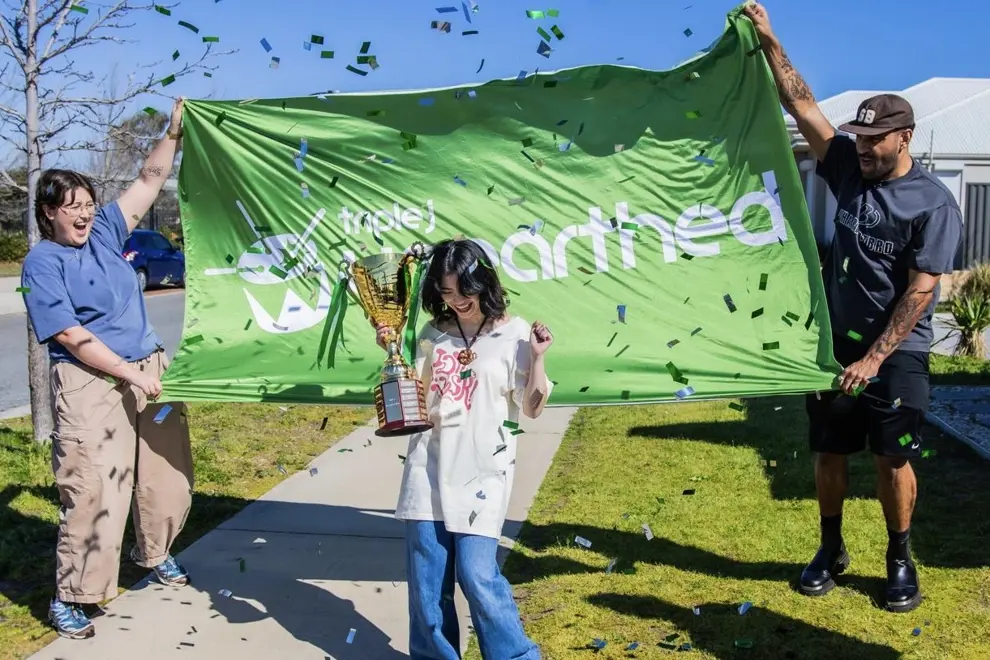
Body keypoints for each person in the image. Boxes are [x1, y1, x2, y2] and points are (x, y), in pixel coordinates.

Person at [745, 3, 963, 613]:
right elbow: (803, 106)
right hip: (835, 344)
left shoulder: (933, 204)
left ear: (905, 138)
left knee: (893, 459)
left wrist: (874, 359)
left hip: (898, 353)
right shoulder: (850, 170)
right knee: (829, 450)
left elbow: (921, 290)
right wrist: (770, 40)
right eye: (858, 137)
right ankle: (831, 547)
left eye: (873, 140)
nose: (860, 147)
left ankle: (898, 557)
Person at [21, 99, 194, 639]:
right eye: (71, 205)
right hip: (91, 383)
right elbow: (71, 336)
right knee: (95, 490)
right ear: (48, 211)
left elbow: (148, 179)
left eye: (89, 203)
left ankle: (155, 552)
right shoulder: (41, 263)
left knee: (169, 478)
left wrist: (173, 133)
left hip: (149, 371)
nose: (83, 212)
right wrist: (130, 373)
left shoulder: (105, 232)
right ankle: (73, 595)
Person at [375, 239, 552, 659]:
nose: (456, 302)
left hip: (483, 474)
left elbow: (531, 407)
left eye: (464, 291)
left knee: (477, 576)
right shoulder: (432, 335)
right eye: (446, 292)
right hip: (428, 468)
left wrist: (539, 358)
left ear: (484, 283)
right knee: (427, 587)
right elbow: (415, 397)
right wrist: (392, 350)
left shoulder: (514, 334)